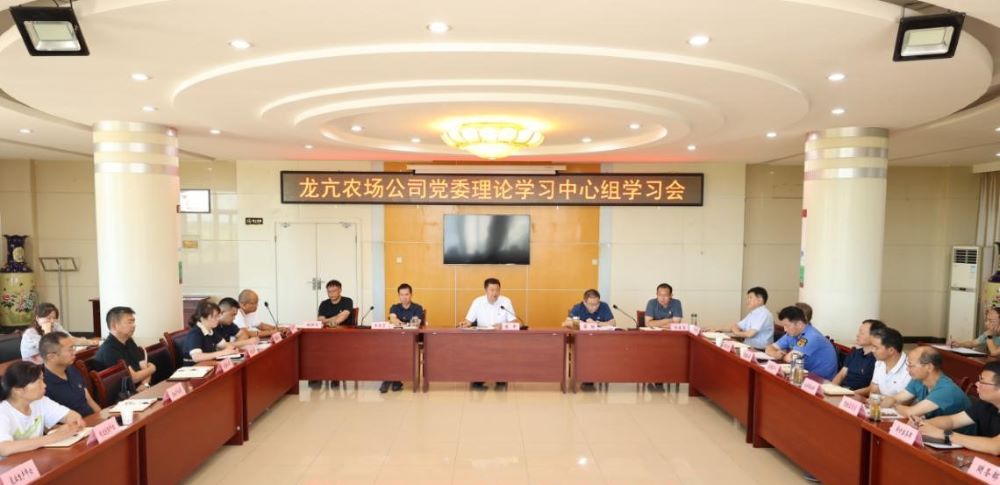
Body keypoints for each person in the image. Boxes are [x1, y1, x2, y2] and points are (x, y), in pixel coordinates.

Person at [0, 361, 86, 458]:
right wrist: (53, 437)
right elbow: (4, 448)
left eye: (43, 379)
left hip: (37, 458)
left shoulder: (40, 401)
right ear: (19, 390)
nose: (45, 385)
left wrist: (72, 425)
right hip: (12, 466)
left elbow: (72, 416)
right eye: (39, 382)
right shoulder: (3, 412)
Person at [916, 361, 1000, 454]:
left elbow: (995, 446)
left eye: (982, 381)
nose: (977, 384)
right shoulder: (985, 404)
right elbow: (952, 421)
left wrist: (944, 434)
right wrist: (923, 424)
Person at [458, 278, 519, 391]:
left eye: (497, 290)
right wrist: (464, 324)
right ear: (485, 290)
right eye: (492, 290)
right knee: (477, 350)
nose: (495, 293)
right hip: (482, 337)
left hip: (501, 338)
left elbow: (515, 324)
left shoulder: (506, 302)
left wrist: (502, 326)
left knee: (502, 350)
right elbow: (468, 321)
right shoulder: (478, 302)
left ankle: (500, 378)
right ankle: (478, 379)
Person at [881, 346, 971, 421]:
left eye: (911, 365)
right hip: (932, 429)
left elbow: (911, 412)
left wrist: (893, 404)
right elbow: (897, 398)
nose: (907, 369)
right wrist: (891, 401)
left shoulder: (946, 389)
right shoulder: (918, 380)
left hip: (954, 435)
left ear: (929, 367)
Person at [765, 305, 838, 380]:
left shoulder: (811, 336)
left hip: (820, 380)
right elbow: (769, 348)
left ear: (799, 324)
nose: (785, 330)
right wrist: (775, 354)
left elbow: (790, 358)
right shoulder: (792, 333)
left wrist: (782, 355)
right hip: (801, 374)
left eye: (787, 326)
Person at [39, 332, 100, 417]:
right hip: (77, 423)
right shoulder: (43, 386)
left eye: (73, 348)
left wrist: (102, 417)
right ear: (51, 357)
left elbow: (89, 401)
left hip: (93, 419)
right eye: (70, 349)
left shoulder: (71, 369)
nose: (74, 352)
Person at [94, 306, 156, 388]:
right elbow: (133, 378)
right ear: (114, 326)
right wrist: (152, 368)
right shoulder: (109, 350)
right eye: (129, 322)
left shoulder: (129, 341)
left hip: (140, 389)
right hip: (122, 393)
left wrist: (145, 385)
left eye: (133, 322)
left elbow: (144, 367)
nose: (134, 325)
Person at [381, 284, 425, 393]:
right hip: (396, 339)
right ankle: (391, 379)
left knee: (396, 350)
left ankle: (394, 379)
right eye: (402, 295)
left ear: (411, 295)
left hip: (412, 339)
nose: (404, 297)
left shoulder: (417, 308)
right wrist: (405, 324)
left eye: (406, 294)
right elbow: (393, 319)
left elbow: (416, 323)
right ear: (399, 296)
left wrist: (401, 324)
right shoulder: (394, 307)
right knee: (387, 349)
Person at [21, 303, 99, 362]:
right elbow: (49, 349)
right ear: (37, 318)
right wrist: (47, 332)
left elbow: (69, 339)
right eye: (48, 318)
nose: (52, 321)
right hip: (35, 368)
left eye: (54, 318)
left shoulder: (55, 325)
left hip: (53, 363)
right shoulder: (30, 334)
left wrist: (91, 342)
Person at [855, 327, 911, 398]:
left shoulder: (910, 368)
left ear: (891, 350)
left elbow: (904, 401)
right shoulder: (879, 362)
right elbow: (874, 391)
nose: (872, 350)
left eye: (876, 347)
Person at [830, 319, 886, 390]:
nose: (857, 335)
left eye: (862, 333)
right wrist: (832, 388)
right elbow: (841, 374)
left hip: (857, 394)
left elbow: (871, 388)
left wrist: (851, 393)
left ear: (875, 337)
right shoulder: (855, 353)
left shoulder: (878, 359)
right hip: (841, 390)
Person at [181, 301, 240, 366]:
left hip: (209, 363)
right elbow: (196, 357)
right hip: (195, 367)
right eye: (215, 317)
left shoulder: (211, 330)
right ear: (202, 318)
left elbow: (224, 345)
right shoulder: (195, 333)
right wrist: (223, 352)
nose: (218, 319)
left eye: (218, 316)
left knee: (238, 361)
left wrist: (232, 350)